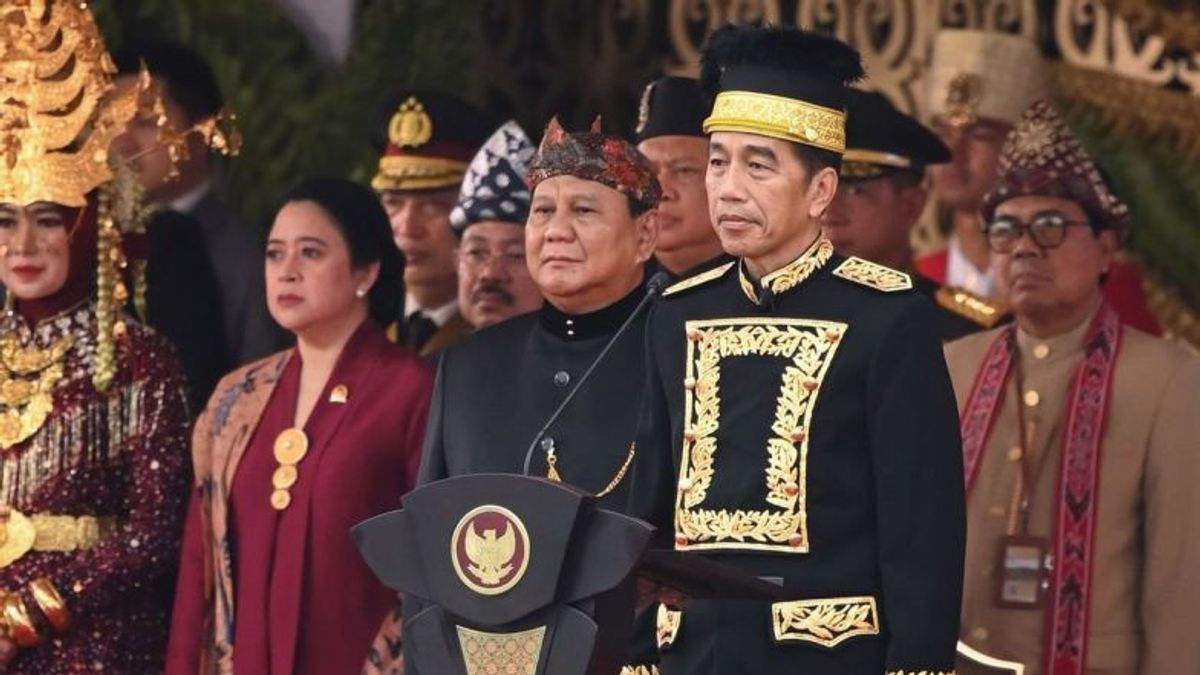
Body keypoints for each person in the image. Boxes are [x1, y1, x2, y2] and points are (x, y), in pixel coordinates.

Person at [630, 26, 964, 675]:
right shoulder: (675, 312)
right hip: (694, 656)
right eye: (719, 160)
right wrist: (638, 658)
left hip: (831, 658)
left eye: (759, 165)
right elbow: (649, 513)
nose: (727, 188)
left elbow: (921, 532)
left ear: (820, 191)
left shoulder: (886, 318)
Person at [945, 101, 1200, 675]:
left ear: (1107, 247)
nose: (1026, 248)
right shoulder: (950, 367)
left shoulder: (1168, 381)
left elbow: (1180, 591)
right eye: (1005, 230)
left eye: (1052, 227)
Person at [413, 117, 660, 672]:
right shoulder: (470, 364)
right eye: (542, 210)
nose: (556, 230)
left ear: (646, 234)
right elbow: (427, 549)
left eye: (585, 210)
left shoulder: (678, 354)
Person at [166, 178, 433, 675]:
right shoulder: (236, 396)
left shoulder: (413, 389)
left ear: (366, 271)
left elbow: (437, 566)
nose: (286, 271)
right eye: (274, 254)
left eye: (310, 253)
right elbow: (198, 565)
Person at [0, 2, 192, 671]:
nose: (23, 244)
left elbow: (157, 533)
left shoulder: (141, 361)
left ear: (91, 227)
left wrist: (30, 613)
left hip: (96, 646)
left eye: (48, 220)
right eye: (6, 220)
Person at [921, 29, 1160, 334]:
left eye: (978, 135)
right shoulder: (918, 278)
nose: (953, 152)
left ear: (1023, 146)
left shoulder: (1094, 283)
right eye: (942, 134)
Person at [113, 40, 286, 367]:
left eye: (145, 122)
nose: (121, 142)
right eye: (109, 122)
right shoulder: (79, 242)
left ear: (204, 131)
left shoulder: (247, 255)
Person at [823, 88, 1003, 340]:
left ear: (911, 206)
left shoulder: (971, 331)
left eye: (857, 192)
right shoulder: (771, 317)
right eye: (820, 190)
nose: (829, 212)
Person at [372, 91, 494, 355]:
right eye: (393, 203)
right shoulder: (360, 326)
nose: (406, 227)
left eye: (433, 206)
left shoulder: (502, 331)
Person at [449, 121, 543, 328]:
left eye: (516, 254)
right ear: (456, 263)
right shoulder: (437, 360)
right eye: (476, 252)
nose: (490, 273)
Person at [635, 76, 730, 280]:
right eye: (647, 173)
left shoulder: (764, 292)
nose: (660, 192)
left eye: (684, 171)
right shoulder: (618, 292)